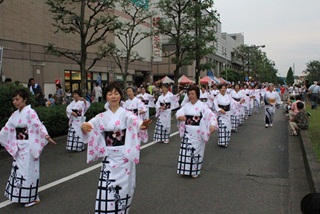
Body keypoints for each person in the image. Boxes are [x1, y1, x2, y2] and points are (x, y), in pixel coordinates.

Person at [81, 83, 151, 214]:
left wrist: (142, 125)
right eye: (110, 93)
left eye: (116, 93)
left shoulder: (126, 114)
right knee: (107, 187)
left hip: (124, 156)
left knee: (124, 188)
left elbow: (135, 121)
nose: (113, 96)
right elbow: (91, 124)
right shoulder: (102, 116)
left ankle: (121, 210)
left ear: (120, 95)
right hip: (109, 156)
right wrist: (84, 126)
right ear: (106, 96)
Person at [0, 89, 56, 207]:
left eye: (17, 99)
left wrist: (45, 135)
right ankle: (22, 195)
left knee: (28, 171)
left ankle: (33, 197)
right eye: (13, 99)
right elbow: (6, 128)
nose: (15, 102)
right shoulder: (15, 115)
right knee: (19, 172)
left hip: (28, 146)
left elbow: (38, 124)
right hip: (18, 146)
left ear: (25, 99)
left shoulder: (30, 112)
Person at [176, 85, 217, 178]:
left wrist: (212, 124)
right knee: (186, 151)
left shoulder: (203, 106)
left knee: (196, 152)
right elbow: (178, 112)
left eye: (192, 94)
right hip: (187, 131)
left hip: (198, 133)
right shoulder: (186, 106)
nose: (190, 96)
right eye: (189, 94)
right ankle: (185, 170)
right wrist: (179, 117)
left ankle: (194, 170)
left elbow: (211, 116)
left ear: (197, 94)